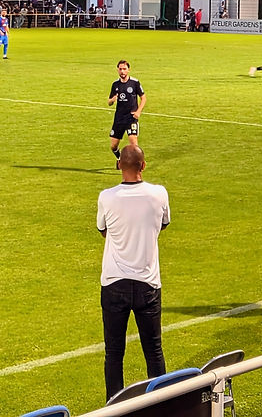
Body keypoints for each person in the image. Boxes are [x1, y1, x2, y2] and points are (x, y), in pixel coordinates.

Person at [97, 144, 169, 401]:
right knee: (154, 350)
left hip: (114, 282)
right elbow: (163, 224)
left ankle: (114, 406)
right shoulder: (159, 194)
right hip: (147, 283)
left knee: (114, 352)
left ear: (119, 165)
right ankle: (162, 404)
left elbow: (103, 230)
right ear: (143, 165)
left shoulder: (107, 197)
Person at [108, 60, 146, 168]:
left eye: (124, 69)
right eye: (120, 69)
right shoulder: (115, 84)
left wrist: (138, 111)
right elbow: (109, 102)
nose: (122, 71)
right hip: (119, 118)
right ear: (117, 70)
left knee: (134, 145)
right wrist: (112, 100)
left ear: (128, 70)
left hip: (131, 117)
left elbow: (143, 98)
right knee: (113, 146)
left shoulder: (135, 83)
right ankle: (120, 158)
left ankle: (138, 165)